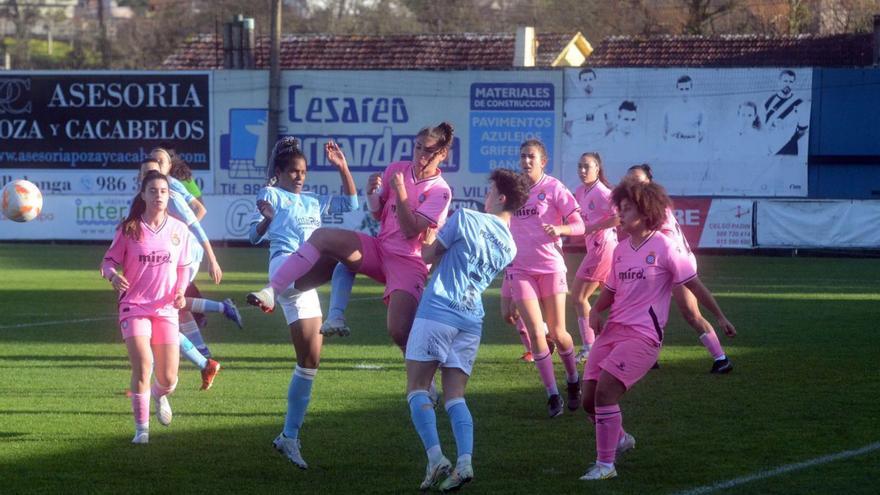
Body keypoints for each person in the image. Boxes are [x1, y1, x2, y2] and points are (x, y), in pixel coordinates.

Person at [247, 123, 454, 359]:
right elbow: (378, 213)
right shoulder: (397, 169)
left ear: (442, 154)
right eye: (417, 148)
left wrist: (399, 192)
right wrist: (372, 195)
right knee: (323, 237)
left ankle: (426, 377)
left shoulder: (441, 191)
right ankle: (275, 292)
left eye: (427, 151)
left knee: (399, 332)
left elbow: (408, 231)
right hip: (377, 249)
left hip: (408, 262)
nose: (420, 155)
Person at [579, 178, 736, 480]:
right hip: (612, 331)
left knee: (605, 393)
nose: (620, 215)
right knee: (588, 401)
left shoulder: (665, 246)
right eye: (620, 209)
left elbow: (694, 284)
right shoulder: (621, 250)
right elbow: (610, 290)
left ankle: (605, 465)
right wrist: (597, 309)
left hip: (643, 337)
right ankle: (621, 438)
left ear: (645, 212)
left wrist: (720, 317)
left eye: (626, 210)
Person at [405, 168, 529, 491]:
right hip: (470, 322)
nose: (485, 196)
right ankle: (464, 463)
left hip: (439, 310)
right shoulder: (511, 247)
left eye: (489, 191)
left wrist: (427, 237)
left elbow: (429, 255)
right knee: (455, 396)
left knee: (418, 388)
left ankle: (435, 459)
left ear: (501, 197)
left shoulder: (466, 219)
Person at [250, 136, 358, 468]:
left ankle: (288, 437)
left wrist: (343, 168)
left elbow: (352, 206)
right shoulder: (273, 194)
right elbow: (254, 235)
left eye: (303, 171)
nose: (300, 176)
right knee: (348, 257)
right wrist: (267, 216)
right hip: (284, 265)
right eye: (294, 171)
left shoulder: (313, 201)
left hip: (304, 282)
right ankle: (324, 308)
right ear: (280, 173)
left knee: (309, 362)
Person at [100, 170, 191, 444]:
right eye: (153, 191)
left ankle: (159, 394)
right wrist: (114, 276)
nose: (158, 196)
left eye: (163, 191)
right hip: (134, 305)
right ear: (143, 195)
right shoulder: (129, 228)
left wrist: (181, 293)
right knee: (143, 364)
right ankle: (142, 431)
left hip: (166, 309)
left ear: (169, 195)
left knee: (168, 378)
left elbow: (183, 267)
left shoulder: (180, 230)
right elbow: (106, 263)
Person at [139, 159, 241, 391]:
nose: (150, 176)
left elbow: (196, 224)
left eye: (155, 170)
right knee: (171, 312)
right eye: (146, 173)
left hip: (179, 260)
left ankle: (149, 381)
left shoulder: (172, 196)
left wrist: (212, 259)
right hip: (156, 266)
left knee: (161, 317)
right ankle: (204, 359)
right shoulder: (141, 201)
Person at [626, 164, 734, 373]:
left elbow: (663, 237)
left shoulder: (653, 204)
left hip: (676, 263)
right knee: (648, 309)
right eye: (629, 179)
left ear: (648, 182)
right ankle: (649, 356)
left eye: (637, 179)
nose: (633, 183)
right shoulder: (641, 204)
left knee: (690, 313)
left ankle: (721, 358)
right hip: (663, 262)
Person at [509, 139, 585, 417]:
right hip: (520, 269)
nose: (526, 161)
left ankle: (573, 380)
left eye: (531, 157)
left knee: (557, 332)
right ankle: (553, 395)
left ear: (543, 161)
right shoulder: (513, 191)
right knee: (535, 332)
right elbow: (503, 227)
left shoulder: (554, 188)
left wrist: (560, 229)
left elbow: (580, 225)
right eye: (522, 157)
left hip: (551, 268)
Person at [571, 152, 619, 363]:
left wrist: (595, 227)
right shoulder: (581, 191)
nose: (582, 171)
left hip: (603, 248)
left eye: (587, 167)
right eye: (579, 166)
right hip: (596, 248)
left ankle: (590, 347)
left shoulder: (603, 192)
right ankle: (622, 342)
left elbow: (620, 217)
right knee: (618, 301)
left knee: (579, 297)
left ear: (597, 169)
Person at [764, 69, 808, 156]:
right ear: (779, 81)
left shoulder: (800, 103)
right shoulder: (768, 101)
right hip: (770, 147)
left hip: (789, 147)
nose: (788, 84)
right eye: (785, 81)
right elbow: (762, 126)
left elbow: (803, 129)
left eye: (791, 81)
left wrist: (791, 139)